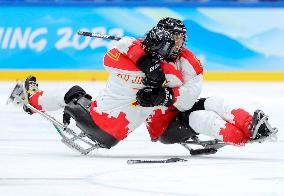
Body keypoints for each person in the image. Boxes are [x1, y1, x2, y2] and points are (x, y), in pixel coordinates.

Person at [17, 17, 276, 153]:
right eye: (171, 39)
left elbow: (114, 54)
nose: (176, 45)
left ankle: (249, 126)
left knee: (213, 105)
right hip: (164, 119)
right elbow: (174, 87)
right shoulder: (172, 71)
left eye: (179, 39)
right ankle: (244, 134)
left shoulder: (181, 63)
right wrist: (151, 69)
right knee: (202, 117)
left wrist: (157, 84)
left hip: (171, 109)